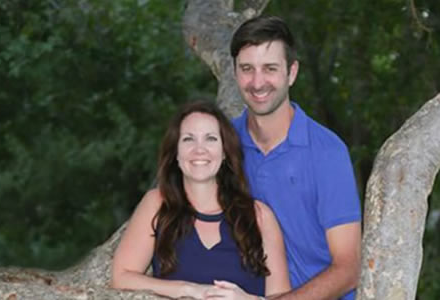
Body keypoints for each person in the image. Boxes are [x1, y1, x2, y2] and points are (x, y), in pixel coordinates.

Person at [230, 16, 362, 300]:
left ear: (291, 73)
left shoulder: (327, 152)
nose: (257, 82)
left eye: (270, 69)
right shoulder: (221, 144)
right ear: (234, 73)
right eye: (247, 69)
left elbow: (350, 267)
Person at [111, 101, 290, 299]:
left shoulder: (260, 216)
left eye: (210, 139)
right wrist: (187, 290)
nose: (199, 149)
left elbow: (281, 296)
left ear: (224, 153)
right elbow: (122, 277)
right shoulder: (157, 203)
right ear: (175, 153)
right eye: (188, 139)